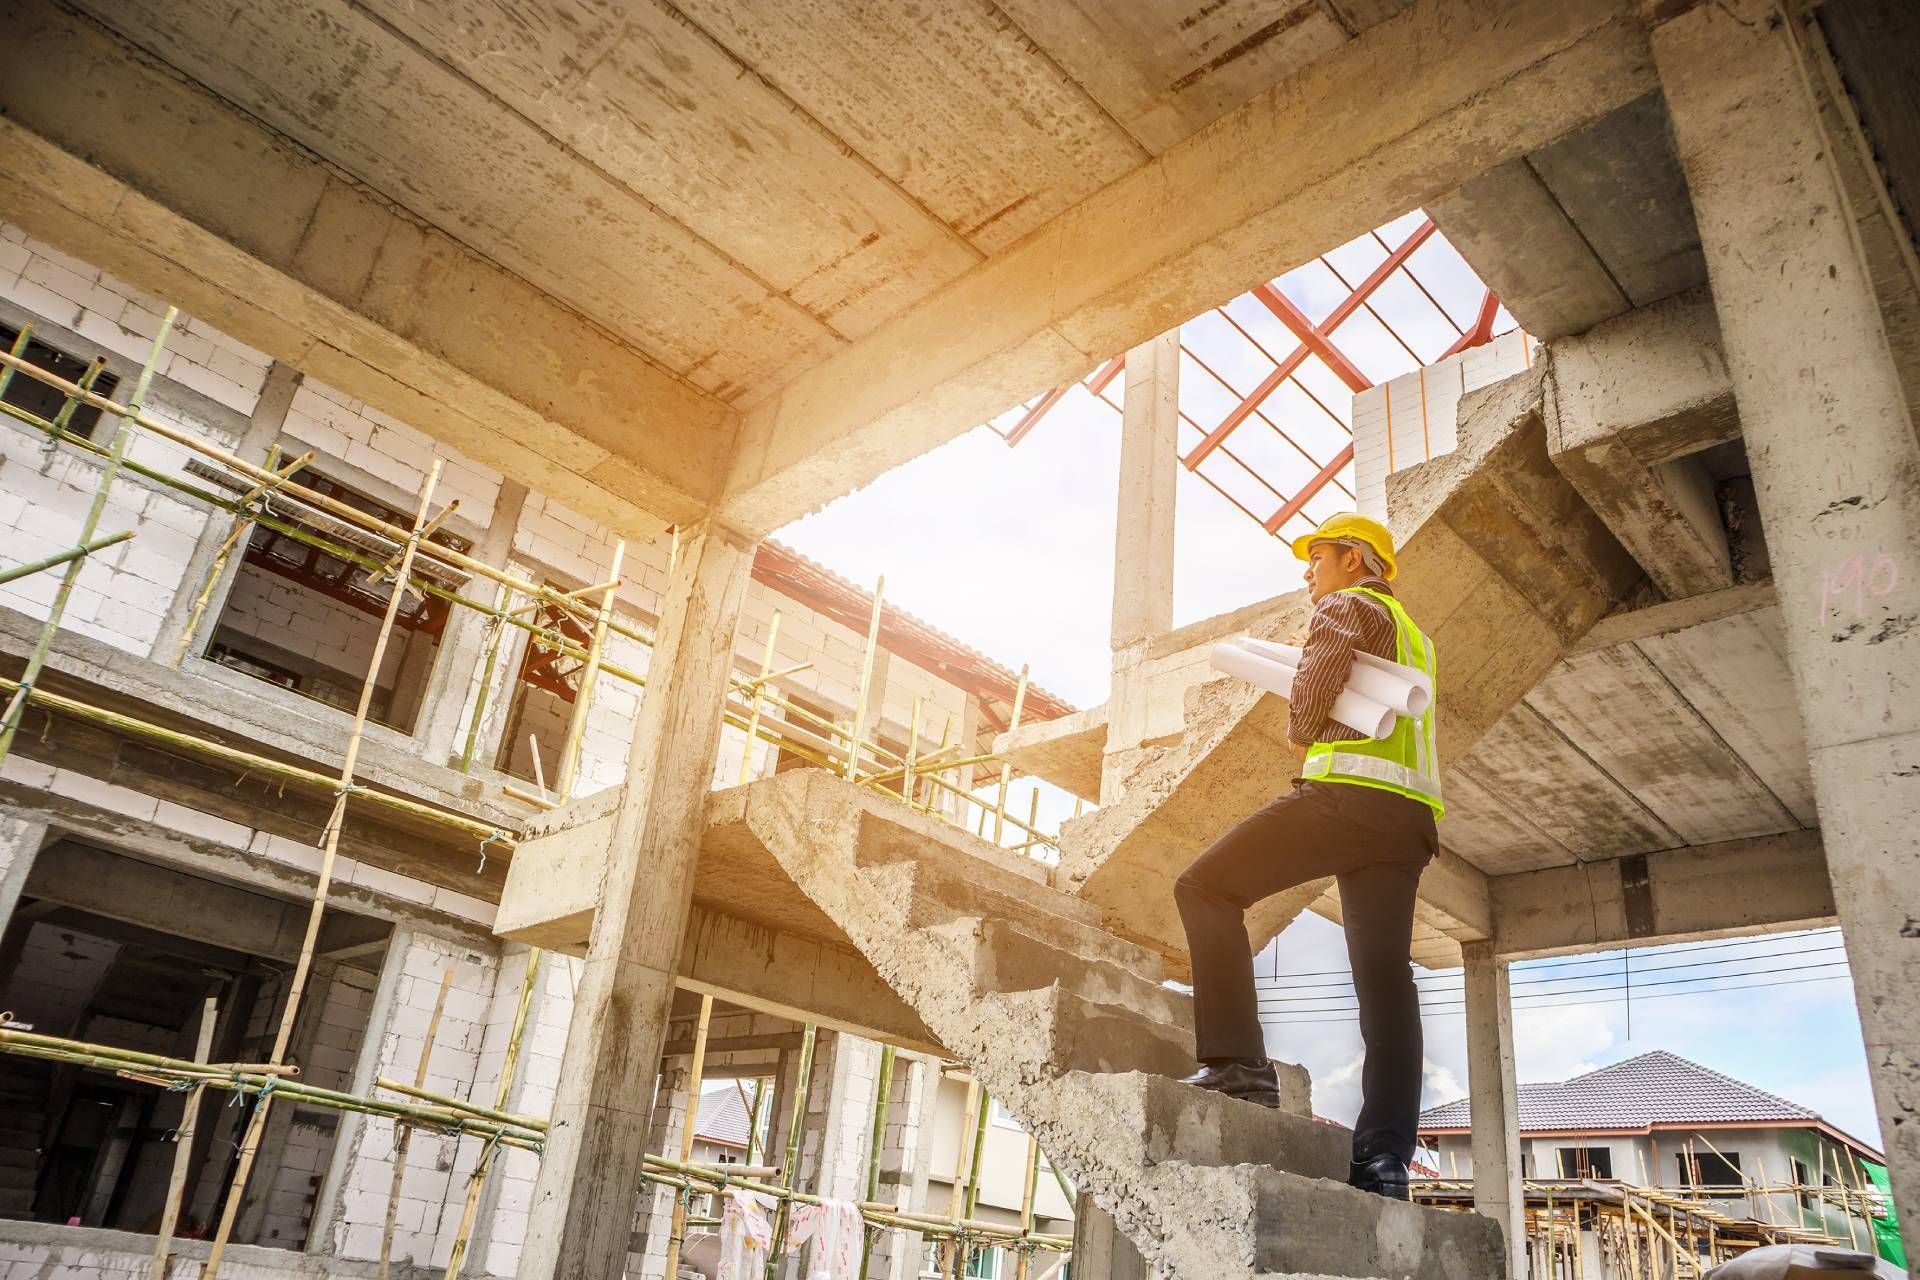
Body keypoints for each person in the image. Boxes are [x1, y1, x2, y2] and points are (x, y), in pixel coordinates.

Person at [1172, 512, 1443, 1202]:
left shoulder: (1346, 606)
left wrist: (1304, 715)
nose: (1308, 573)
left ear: (1353, 560)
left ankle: (1238, 1067)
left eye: (1316, 558)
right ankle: (1384, 1163)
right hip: (1408, 821)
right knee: (1386, 985)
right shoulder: (1417, 639)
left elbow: (1310, 703)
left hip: (1346, 800)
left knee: (1205, 889)